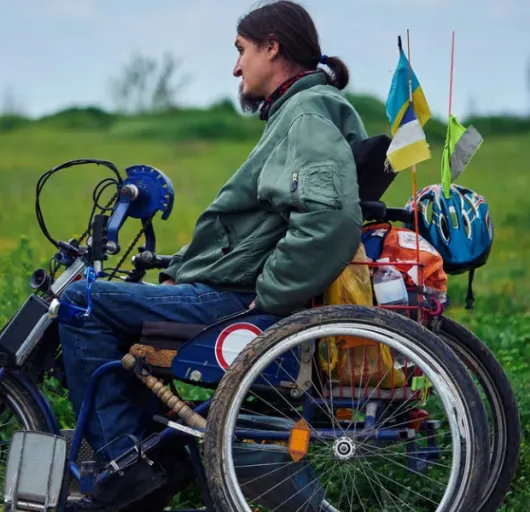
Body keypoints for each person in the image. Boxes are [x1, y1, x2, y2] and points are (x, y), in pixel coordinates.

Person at [59, 1, 368, 510]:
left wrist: (269, 295)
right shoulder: (303, 111)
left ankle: (126, 468)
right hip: (236, 289)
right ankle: (158, 457)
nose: (235, 67)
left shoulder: (306, 118)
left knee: (81, 303)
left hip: (239, 302)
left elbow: (329, 220)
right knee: (126, 307)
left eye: (241, 51)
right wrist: (178, 266)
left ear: (273, 47)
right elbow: (256, 233)